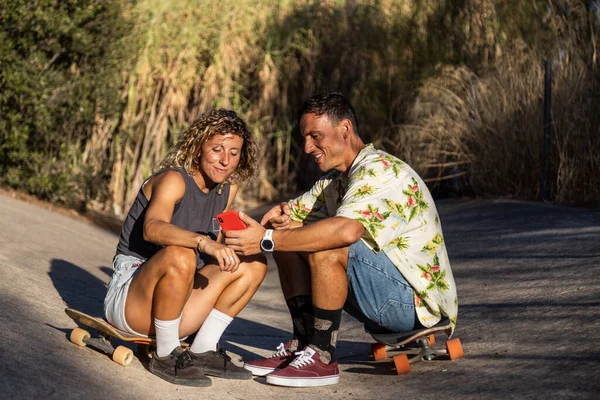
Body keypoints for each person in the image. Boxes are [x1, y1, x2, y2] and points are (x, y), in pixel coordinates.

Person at [223, 92, 458, 387]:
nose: (308, 147)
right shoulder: (335, 181)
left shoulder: (379, 170)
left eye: (315, 136)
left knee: (326, 241)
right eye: (305, 137)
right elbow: (286, 217)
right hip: (384, 301)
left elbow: (345, 232)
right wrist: (274, 226)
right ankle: (303, 343)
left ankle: (322, 357)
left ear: (344, 129)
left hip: (415, 308)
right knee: (289, 236)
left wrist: (266, 240)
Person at [103, 109, 267, 387]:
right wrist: (202, 242)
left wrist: (263, 230)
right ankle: (165, 352)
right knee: (181, 252)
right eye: (217, 149)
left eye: (234, 152)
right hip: (131, 299)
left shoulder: (227, 189)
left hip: (177, 300)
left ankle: (203, 348)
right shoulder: (173, 180)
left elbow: (219, 250)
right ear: (198, 146)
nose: (225, 160)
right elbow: (152, 228)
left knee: (253, 263)